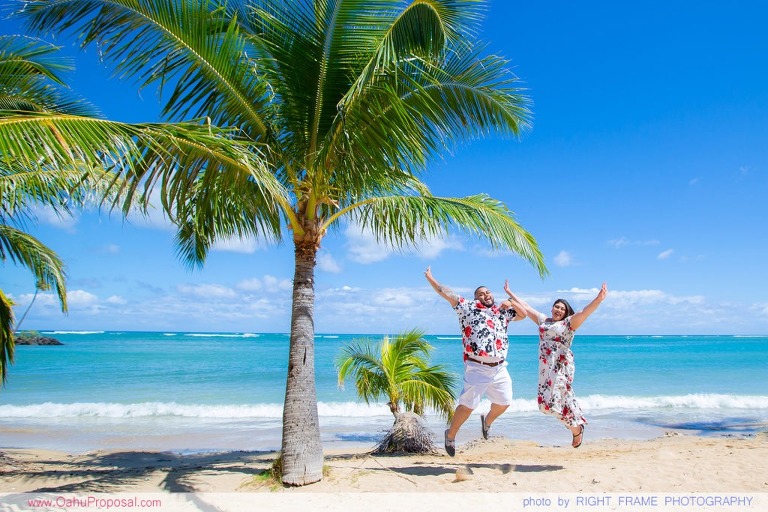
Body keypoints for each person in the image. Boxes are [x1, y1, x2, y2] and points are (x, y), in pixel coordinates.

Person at [424, 266, 528, 457]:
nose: (486, 295)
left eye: (488, 292)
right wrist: (432, 279)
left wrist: (510, 301)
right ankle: (451, 434)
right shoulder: (467, 308)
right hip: (477, 366)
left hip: (499, 367)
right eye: (481, 294)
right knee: (467, 405)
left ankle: (487, 421)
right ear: (476, 298)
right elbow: (446, 293)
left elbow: (524, 314)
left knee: (504, 402)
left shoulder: (501, 312)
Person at [504, 282, 608, 448]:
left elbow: (584, 312)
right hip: (545, 368)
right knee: (545, 405)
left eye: (562, 309)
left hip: (561, 365)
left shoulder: (568, 324)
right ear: (552, 308)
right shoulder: (544, 321)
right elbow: (527, 307)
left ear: (566, 312)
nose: (558, 310)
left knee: (558, 400)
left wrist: (598, 299)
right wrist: (510, 293)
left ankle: (576, 429)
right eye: (556, 307)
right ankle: (576, 426)